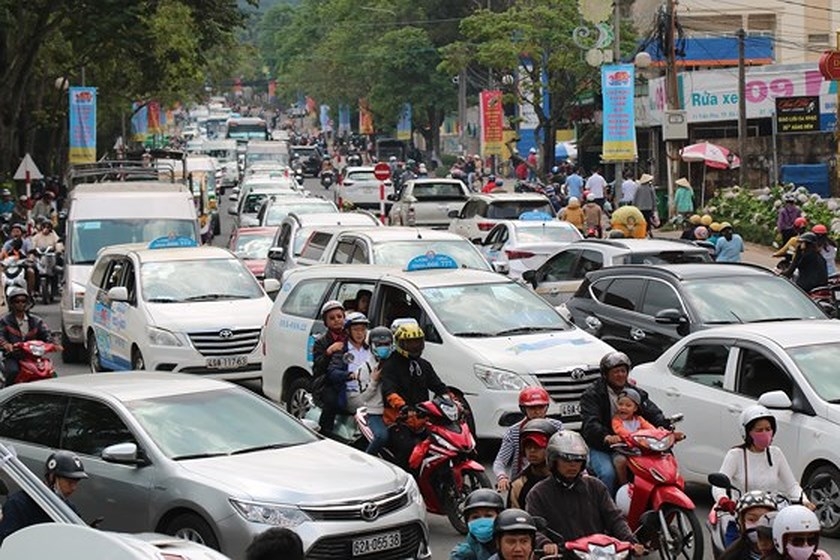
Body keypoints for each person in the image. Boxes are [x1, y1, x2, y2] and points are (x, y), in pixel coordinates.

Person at [525, 431, 644, 555]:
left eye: (578, 460)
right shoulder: (538, 493)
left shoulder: (596, 486)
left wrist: (630, 541)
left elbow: (614, 518)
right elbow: (534, 528)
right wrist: (545, 544)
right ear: (553, 460)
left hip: (599, 555)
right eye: (566, 459)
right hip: (561, 556)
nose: (573, 464)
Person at [580, 351, 672, 494]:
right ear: (605, 374)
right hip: (603, 447)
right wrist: (606, 437)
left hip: (634, 446)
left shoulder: (635, 393)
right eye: (616, 371)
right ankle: (606, 512)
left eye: (623, 371)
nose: (621, 375)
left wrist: (665, 428)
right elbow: (591, 423)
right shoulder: (592, 395)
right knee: (608, 474)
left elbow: (652, 413)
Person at [712, 406, 813, 527]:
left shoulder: (776, 453)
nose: (765, 433)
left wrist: (805, 501)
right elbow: (718, 487)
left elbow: (792, 486)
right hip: (742, 517)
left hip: (771, 516)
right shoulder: (735, 455)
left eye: (768, 429)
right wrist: (723, 500)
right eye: (759, 430)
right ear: (747, 433)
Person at [380, 320, 450, 468]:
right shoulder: (390, 365)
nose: (414, 346)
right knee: (407, 449)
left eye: (417, 342)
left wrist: (451, 400)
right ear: (399, 343)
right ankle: (405, 480)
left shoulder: (424, 365)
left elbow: (438, 386)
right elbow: (389, 390)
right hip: (399, 420)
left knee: (444, 445)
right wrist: (403, 406)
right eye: (410, 343)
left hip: (423, 419)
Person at [0, 451, 87, 543]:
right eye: (69, 482)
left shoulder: (69, 509)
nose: (74, 488)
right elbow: (7, 542)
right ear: (52, 477)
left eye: (76, 483)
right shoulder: (19, 504)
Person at [493, 387, 563, 492]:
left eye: (540, 407)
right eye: (532, 408)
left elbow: (569, 452)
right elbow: (500, 461)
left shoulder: (557, 427)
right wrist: (502, 476)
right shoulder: (513, 432)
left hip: (551, 478)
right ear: (523, 409)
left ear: (546, 407)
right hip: (524, 481)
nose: (537, 412)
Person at [350, 325, 392, 455]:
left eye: (386, 344)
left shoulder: (394, 364)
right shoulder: (366, 368)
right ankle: (369, 459)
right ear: (372, 345)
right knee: (381, 437)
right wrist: (374, 381)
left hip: (394, 411)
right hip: (375, 413)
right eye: (379, 344)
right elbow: (364, 397)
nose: (383, 347)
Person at [0, 287, 53, 386]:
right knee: (13, 372)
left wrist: (50, 343)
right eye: (17, 301)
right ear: (11, 303)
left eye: (23, 301)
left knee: (49, 371)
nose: (20, 304)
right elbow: (1, 336)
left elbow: (46, 334)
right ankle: (7, 394)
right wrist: (7, 345)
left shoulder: (36, 321)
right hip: (13, 357)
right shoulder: (5, 321)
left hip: (34, 357)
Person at [312, 300, 346, 433]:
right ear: (325, 322)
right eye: (332, 318)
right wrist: (328, 352)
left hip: (350, 377)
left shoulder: (351, 336)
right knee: (331, 401)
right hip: (328, 382)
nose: (337, 320)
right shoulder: (321, 342)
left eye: (339, 317)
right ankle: (325, 432)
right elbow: (318, 368)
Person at [610, 387, 655, 486]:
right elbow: (620, 430)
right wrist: (632, 437)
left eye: (628, 405)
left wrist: (657, 433)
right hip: (624, 450)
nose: (623, 407)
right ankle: (623, 483)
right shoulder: (617, 420)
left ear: (635, 408)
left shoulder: (639, 419)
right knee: (620, 461)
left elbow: (650, 429)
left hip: (640, 449)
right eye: (620, 404)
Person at [508, 419, 557, 508]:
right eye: (528, 446)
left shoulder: (566, 479)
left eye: (538, 446)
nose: (532, 451)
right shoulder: (518, 484)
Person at [718, 491, 779, 559]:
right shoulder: (731, 556)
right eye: (752, 519)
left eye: (764, 519)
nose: (758, 525)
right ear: (741, 522)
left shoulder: (786, 553)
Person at [451, 489, 506, 560]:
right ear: (467, 521)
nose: (482, 521)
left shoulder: (512, 545)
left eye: (488, 516)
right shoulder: (462, 554)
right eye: (475, 517)